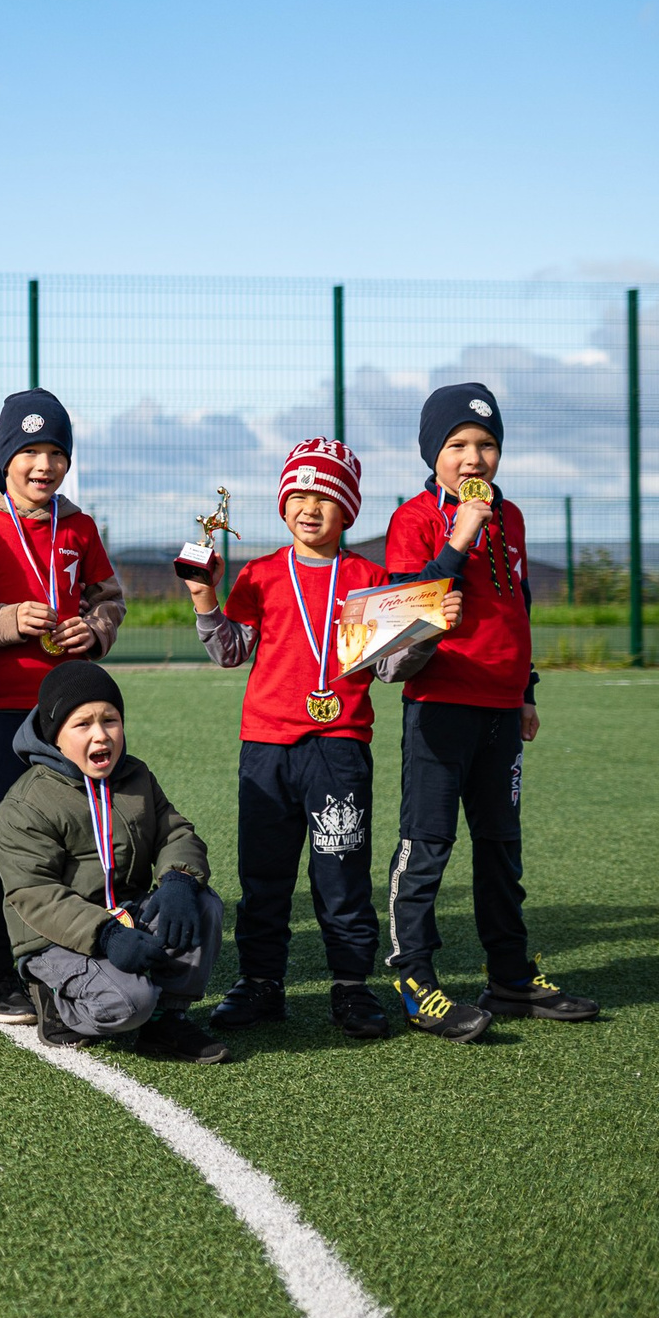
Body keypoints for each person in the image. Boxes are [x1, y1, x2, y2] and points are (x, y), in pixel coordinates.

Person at [381, 384, 599, 1039]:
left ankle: (508, 976)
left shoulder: (514, 517)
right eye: (457, 445)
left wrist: (525, 688)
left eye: (486, 444)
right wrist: (458, 538)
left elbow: (516, 605)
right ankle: (415, 980)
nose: (473, 458)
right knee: (427, 846)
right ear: (433, 453)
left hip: (501, 709)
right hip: (439, 706)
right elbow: (402, 614)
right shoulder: (413, 518)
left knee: (502, 849)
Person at [187, 440, 402, 1042]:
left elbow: (389, 668)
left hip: (339, 747)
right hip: (266, 747)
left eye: (325, 498)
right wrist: (204, 598)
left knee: (342, 874)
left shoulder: (367, 580)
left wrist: (424, 632)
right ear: (282, 505)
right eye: (299, 495)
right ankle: (261, 982)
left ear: (348, 510)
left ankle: (352, 986)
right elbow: (230, 652)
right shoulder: (260, 574)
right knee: (264, 874)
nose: (310, 508)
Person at [0, 390, 125, 1021]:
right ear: (6, 458)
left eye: (56, 454)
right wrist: (5, 621)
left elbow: (109, 599)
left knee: (71, 837)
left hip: (65, 715)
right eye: (30, 453)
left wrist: (93, 630)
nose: (44, 466)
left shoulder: (80, 526)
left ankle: (62, 959)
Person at [0, 663, 229, 1063]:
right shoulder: (26, 803)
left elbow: (175, 833)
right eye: (82, 724)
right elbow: (34, 894)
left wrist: (178, 880)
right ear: (55, 736)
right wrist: (105, 935)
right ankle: (54, 1000)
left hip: (125, 913)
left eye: (110, 720)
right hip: (54, 937)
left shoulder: (135, 775)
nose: (100, 734)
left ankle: (167, 1021)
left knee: (203, 903)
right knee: (129, 1004)